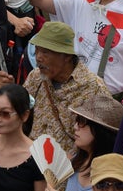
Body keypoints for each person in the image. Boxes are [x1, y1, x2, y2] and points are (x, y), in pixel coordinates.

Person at [23, 21, 112, 154]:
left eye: (45, 52)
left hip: (71, 163)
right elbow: (21, 111)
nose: (38, 58)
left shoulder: (93, 87)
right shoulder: (36, 76)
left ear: (67, 56)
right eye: (36, 51)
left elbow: (104, 140)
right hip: (31, 156)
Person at [45, 94, 123, 191]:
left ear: (99, 131)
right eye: (76, 121)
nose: (75, 127)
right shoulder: (77, 163)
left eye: (82, 122)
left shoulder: (116, 175)